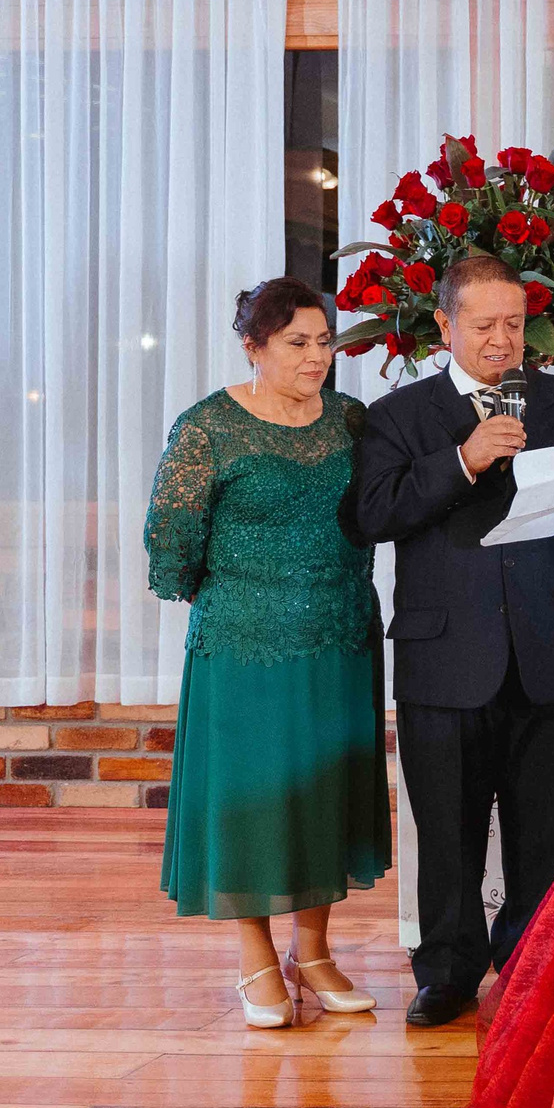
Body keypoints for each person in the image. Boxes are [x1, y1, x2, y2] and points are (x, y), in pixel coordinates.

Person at [352, 251, 554, 1027]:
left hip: (551, 646)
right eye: (482, 325)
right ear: (445, 325)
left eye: (514, 324)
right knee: (446, 826)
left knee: (544, 827)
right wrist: (461, 459)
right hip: (443, 655)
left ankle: (534, 967)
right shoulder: (398, 416)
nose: (500, 340)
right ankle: (446, 972)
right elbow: (373, 516)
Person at [146, 277, 390, 1029]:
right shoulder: (208, 428)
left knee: (324, 791)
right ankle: (255, 958)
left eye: (325, 342)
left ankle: (311, 952)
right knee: (252, 798)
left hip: (339, 635)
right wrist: (239, 595)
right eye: (297, 343)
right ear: (253, 346)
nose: (317, 356)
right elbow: (169, 545)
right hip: (244, 644)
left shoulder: (351, 418)